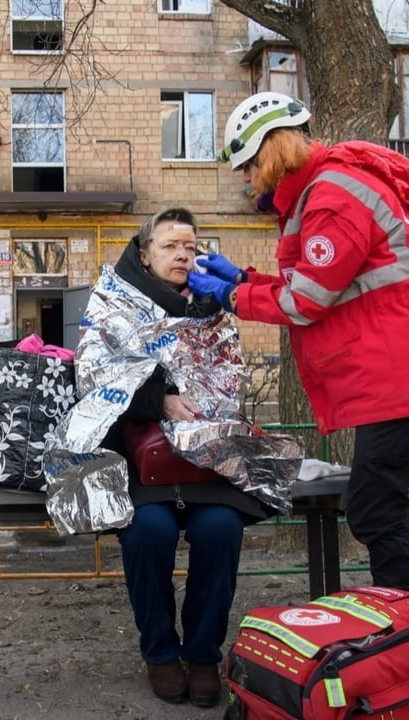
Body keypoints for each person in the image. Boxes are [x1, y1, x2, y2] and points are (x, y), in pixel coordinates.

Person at [189, 91, 409, 590]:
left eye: (248, 167)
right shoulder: (321, 193)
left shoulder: (332, 199)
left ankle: (406, 621)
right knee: (377, 502)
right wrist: (244, 280)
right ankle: (403, 618)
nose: (247, 180)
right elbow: (315, 285)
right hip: (393, 373)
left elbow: (305, 302)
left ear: (269, 153)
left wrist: (232, 297)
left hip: (398, 377)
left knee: (375, 505)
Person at [99, 208, 274, 707]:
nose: (182, 254)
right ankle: (159, 653)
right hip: (143, 463)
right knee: (148, 532)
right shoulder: (114, 305)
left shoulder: (211, 307)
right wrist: (160, 399)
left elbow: (229, 381)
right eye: (170, 245)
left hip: (205, 463)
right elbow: (94, 380)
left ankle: (202, 655)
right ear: (144, 252)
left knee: (220, 529)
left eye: (190, 247)